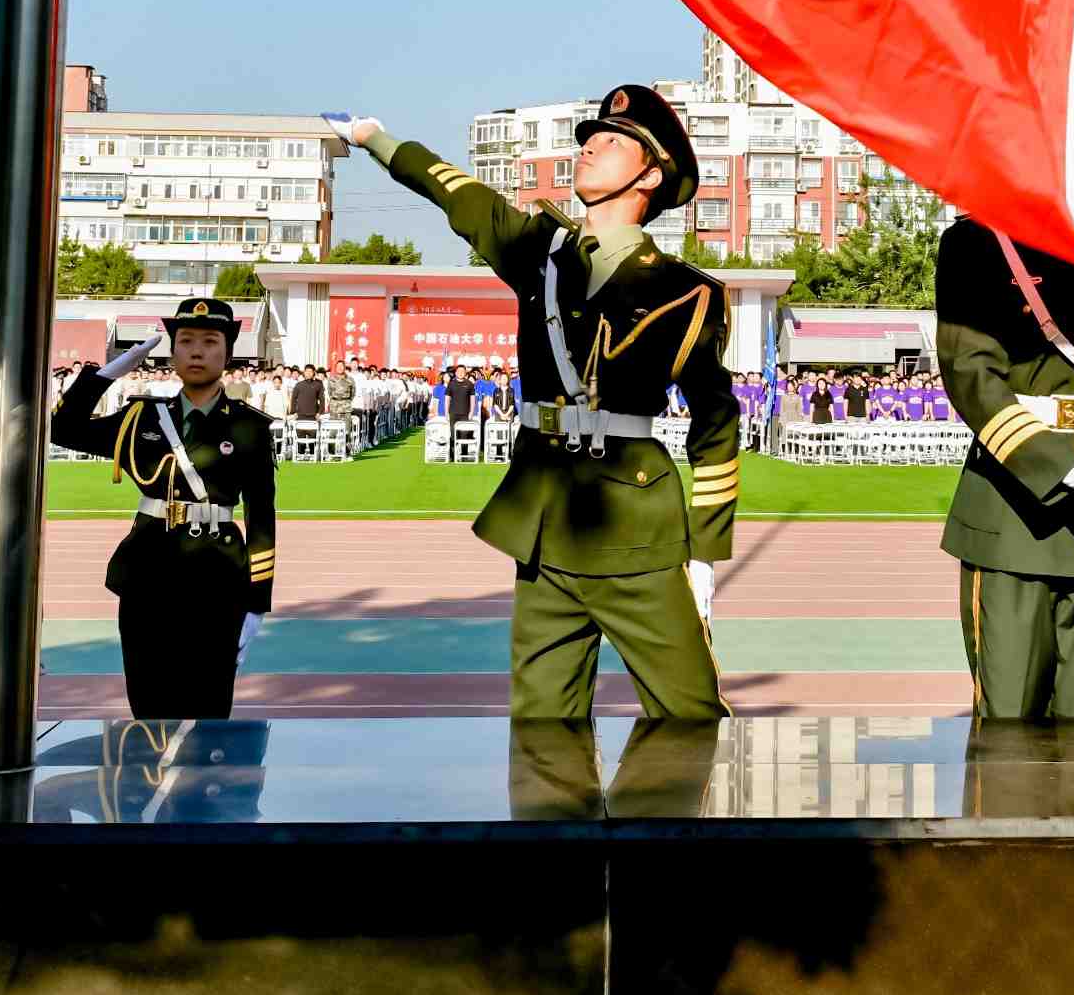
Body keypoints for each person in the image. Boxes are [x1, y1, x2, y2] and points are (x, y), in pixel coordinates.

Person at [334, 87, 740, 717]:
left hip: (638, 532)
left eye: (611, 141)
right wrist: (374, 139)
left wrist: (706, 555)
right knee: (542, 727)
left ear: (650, 175)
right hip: (545, 521)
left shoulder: (688, 293)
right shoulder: (538, 251)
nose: (589, 148)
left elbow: (716, 422)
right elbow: (456, 192)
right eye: (589, 138)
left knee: (690, 719)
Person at [932, 217, 1074, 717]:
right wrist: (1068, 468)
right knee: (1010, 725)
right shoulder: (977, 242)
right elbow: (970, 374)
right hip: (1016, 514)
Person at [49, 302, 278, 715]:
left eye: (210, 342)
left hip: (218, 577)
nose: (197, 351)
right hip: (148, 574)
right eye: (185, 341)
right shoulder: (141, 418)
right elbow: (62, 429)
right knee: (147, 706)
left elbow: (261, 517)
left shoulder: (249, 427)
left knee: (208, 712)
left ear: (228, 353)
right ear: (171, 353)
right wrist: (106, 374)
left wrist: (257, 602)